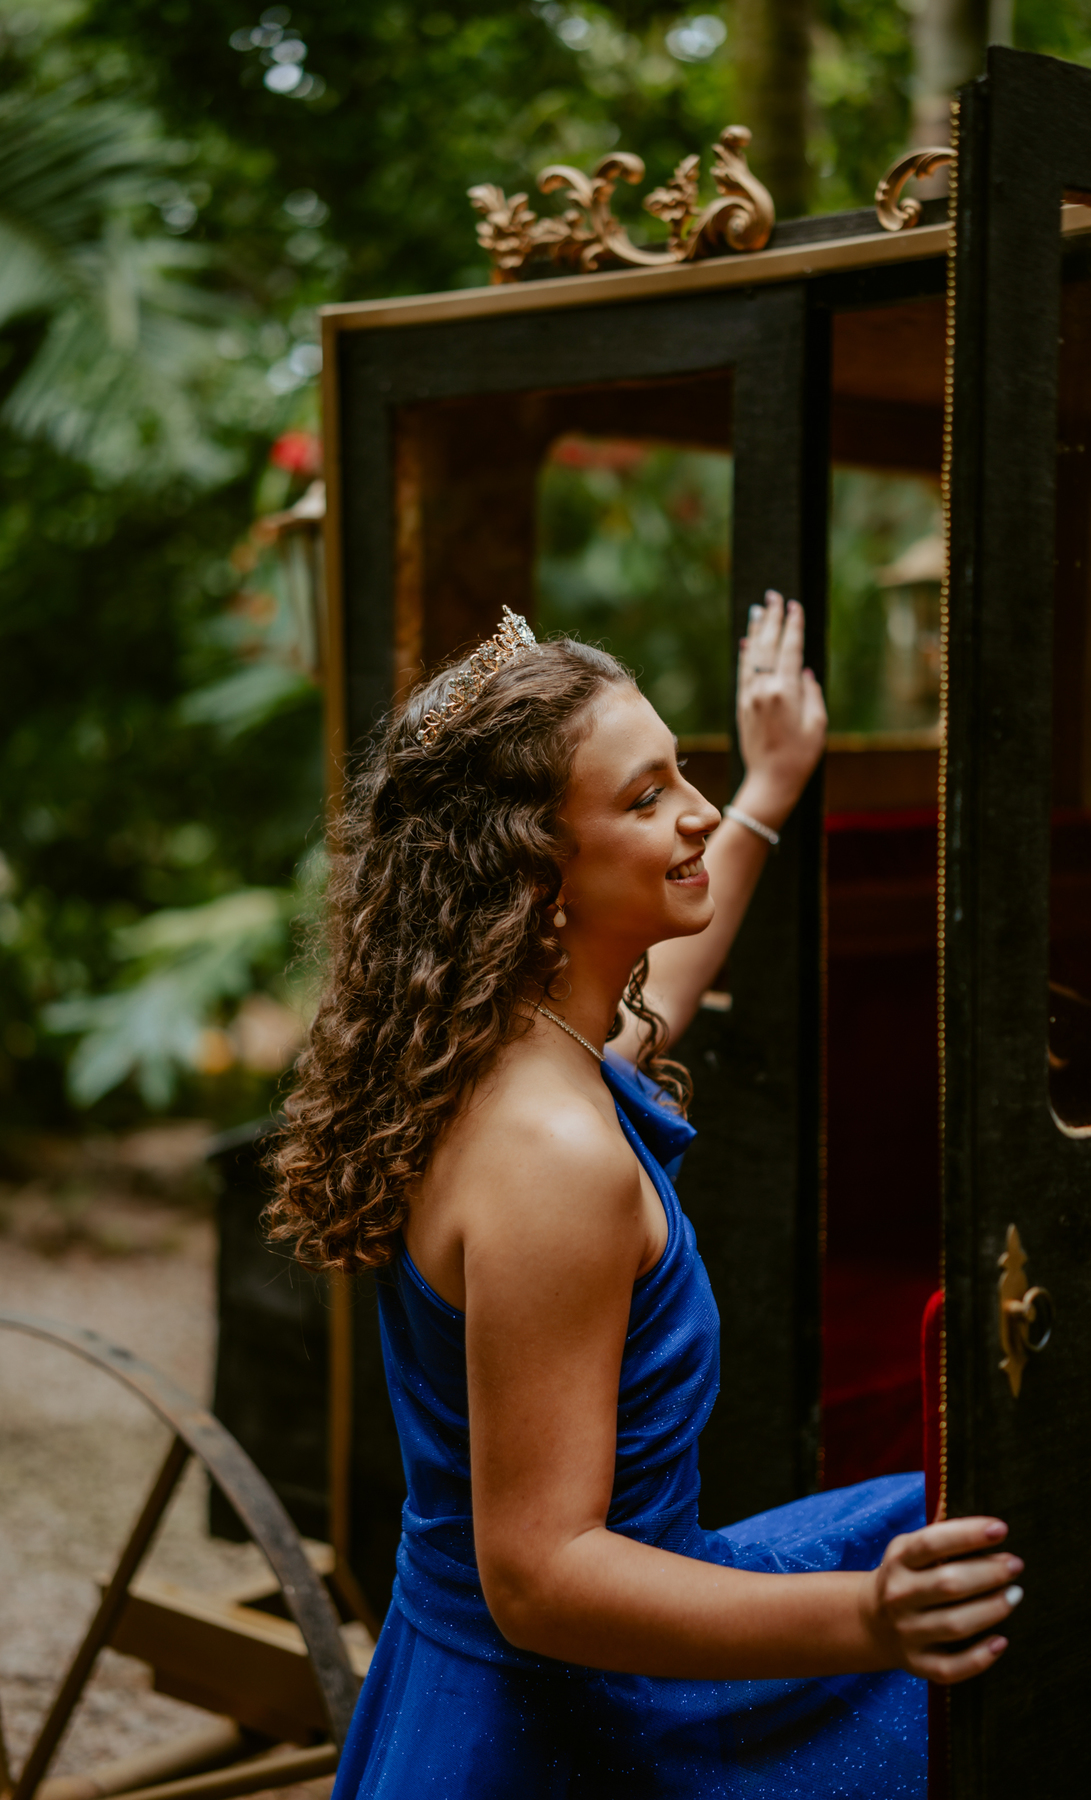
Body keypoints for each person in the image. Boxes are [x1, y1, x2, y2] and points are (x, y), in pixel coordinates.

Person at [271, 592, 1024, 1799]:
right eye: (645, 797)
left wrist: (774, 785)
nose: (697, 811)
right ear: (538, 873)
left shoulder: (506, 1044)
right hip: (560, 1725)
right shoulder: (553, 1160)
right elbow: (541, 1576)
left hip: (475, 1671)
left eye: (684, 770)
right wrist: (870, 1626)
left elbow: (652, 995)